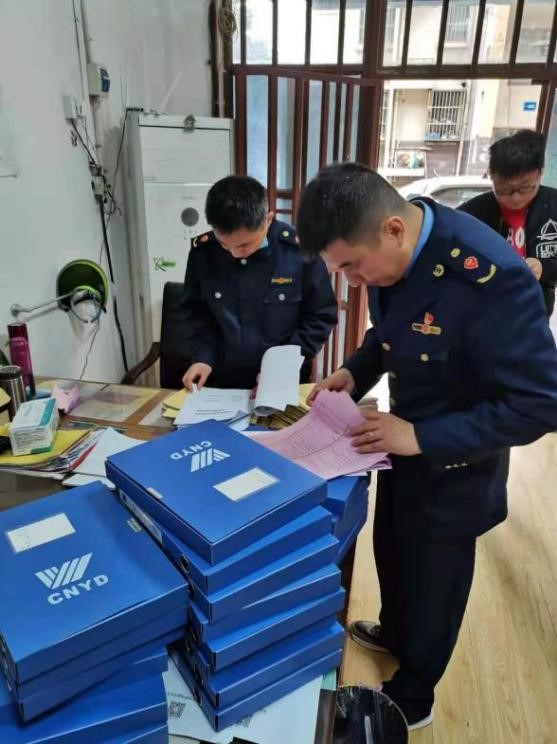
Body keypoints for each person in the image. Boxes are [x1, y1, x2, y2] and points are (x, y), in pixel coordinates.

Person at [296, 162, 557, 730]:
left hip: (456, 459)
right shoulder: (402, 251)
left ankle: (415, 694)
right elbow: (390, 333)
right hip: (399, 440)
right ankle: (395, 633)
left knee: (436, 581)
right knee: (391, 548)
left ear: (391, 230)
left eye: (353, 267)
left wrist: (421, 437)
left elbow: (540, 404)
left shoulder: (491, 278)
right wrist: (354, 372)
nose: (353, 282)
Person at [181, 175, 337, 390]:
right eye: (225, 245)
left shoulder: (299, 251)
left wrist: (281, 368)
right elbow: (196, 313)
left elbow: (321, 315)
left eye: (245, 245)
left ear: (268, 219)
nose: (235, 254)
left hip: (282, 381)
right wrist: (203, 357)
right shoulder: (203, 254)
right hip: (221, 383)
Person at [459, 129, 557, 317]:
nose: (515, 198)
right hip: (482, 311)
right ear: (491, 176)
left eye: (526, 187)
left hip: (534, 312)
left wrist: (543, 267)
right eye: (504, 190)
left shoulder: (553, 206)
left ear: (540, 173)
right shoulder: (472, 212)